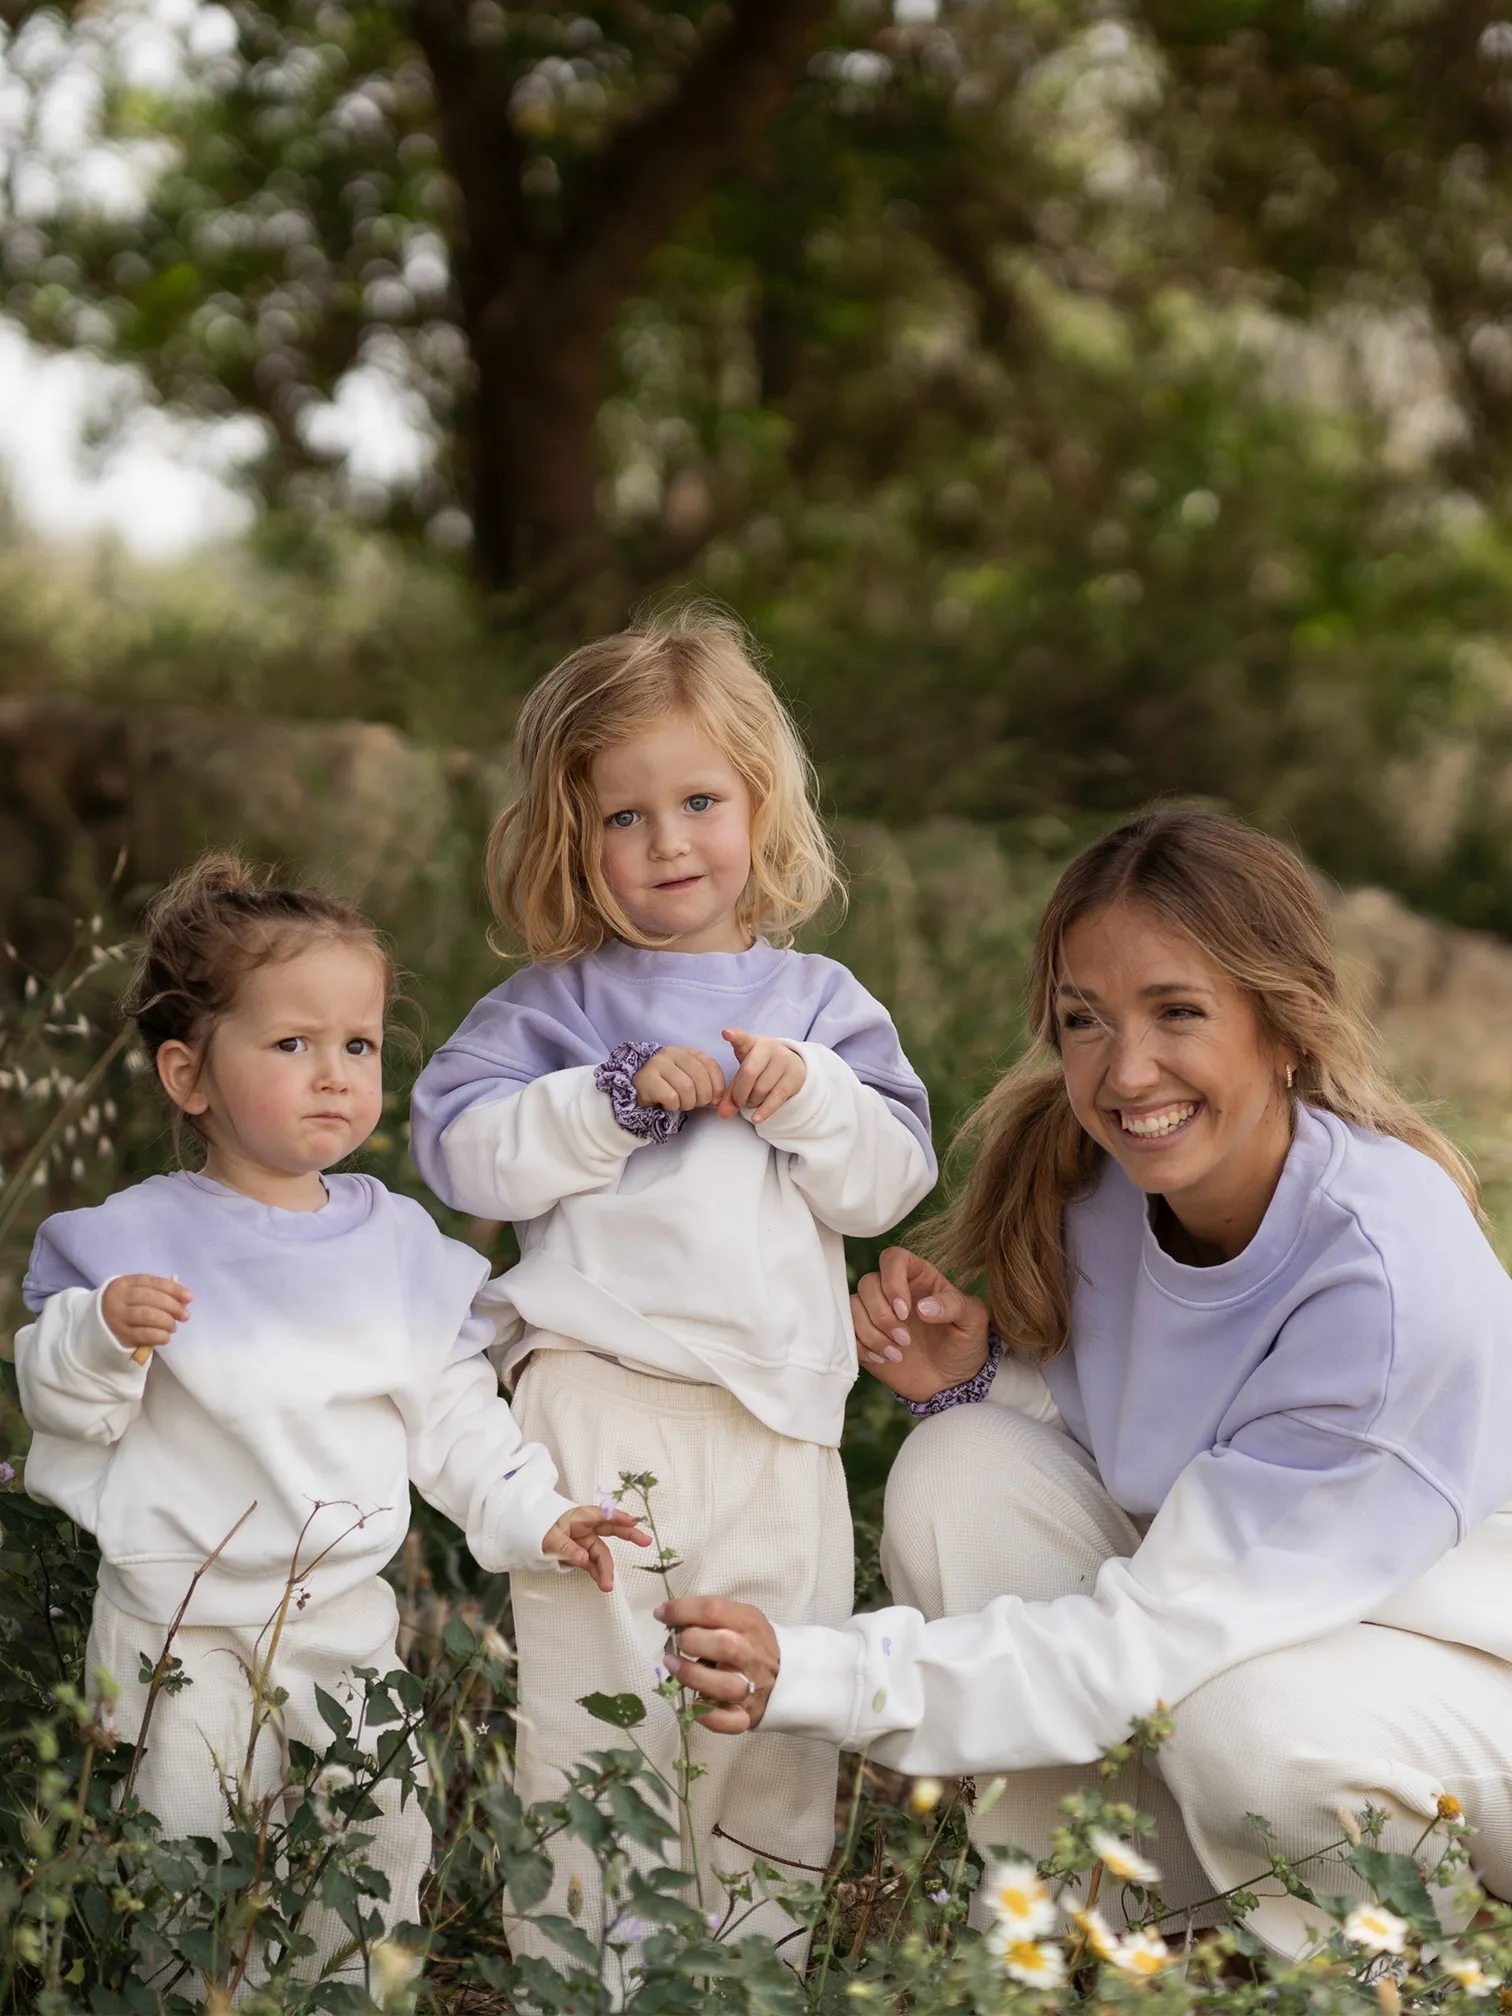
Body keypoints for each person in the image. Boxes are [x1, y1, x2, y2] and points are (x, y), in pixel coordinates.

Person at [660, 804, 1512, 1957]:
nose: (1127, 1070)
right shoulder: (1109, 1190)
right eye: (1085, 1021)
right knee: (960, 1467)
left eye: (1178, 1012)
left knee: (1245, 1718)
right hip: (1265, 1630)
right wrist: (993, 1383)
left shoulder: (1385, 1272)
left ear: (1285, 1026)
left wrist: (821, 1672)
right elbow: (1176, 1460)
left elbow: (1152, 1641)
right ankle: (1087, 1930)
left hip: (1464, 1697)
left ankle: (1398, 1960)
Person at [13, 854, 646, 1989]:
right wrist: (103, 1335)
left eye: (356, 1045)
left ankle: (355, 1996)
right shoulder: (134, 1241)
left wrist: (536, 1514)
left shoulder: (396, 1245)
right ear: (188, 1074)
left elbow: (456, 1418)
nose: (333, 1075)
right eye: (290, 1044)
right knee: (185, 1859)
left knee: (376, 1846)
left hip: (345, 1621)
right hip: (180, 1628)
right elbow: (57, 1396)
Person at [409, 608, 936, 1956]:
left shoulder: (819, 1003)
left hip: (779, 1434)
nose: (668, 844)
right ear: (569, 841)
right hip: (600, 1409)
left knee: (767, 1726)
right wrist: (607, 1102)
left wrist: (809, 1095)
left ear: (759, 804)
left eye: (699, 801)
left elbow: (885, 1186)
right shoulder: (554, 1006)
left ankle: (744, 1973)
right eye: (622, 819)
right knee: (603, 1731)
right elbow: (462, 1154)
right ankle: (584, 1976)